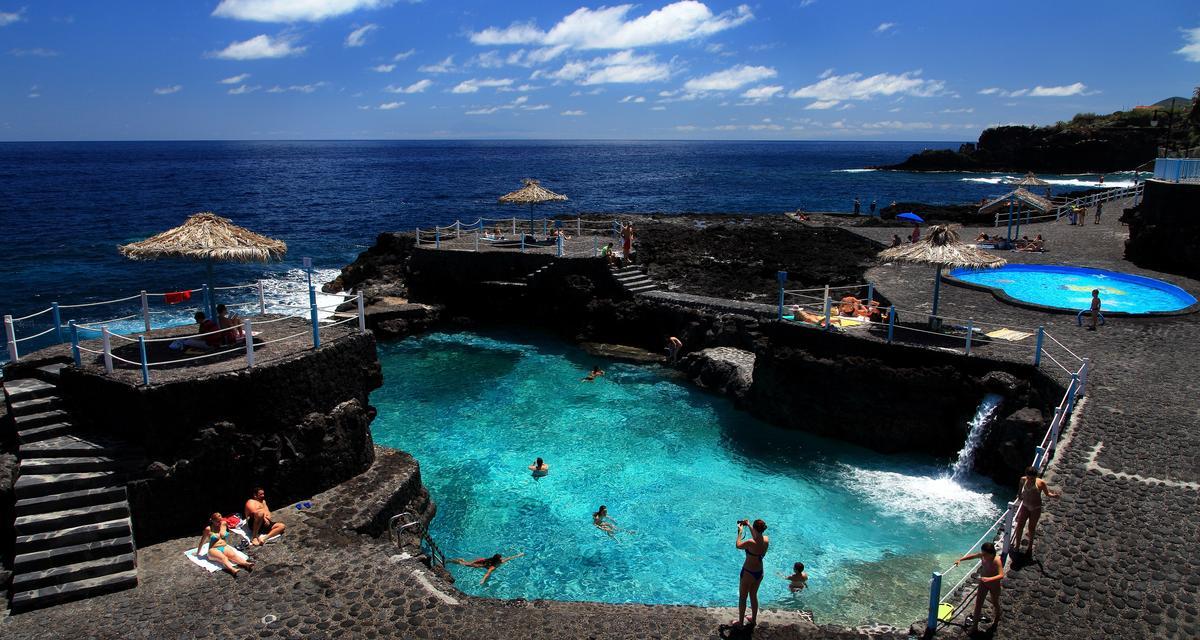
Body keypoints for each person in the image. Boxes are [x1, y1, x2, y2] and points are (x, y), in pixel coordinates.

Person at [954, 542, 1004, 633]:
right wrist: (960, 559)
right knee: (978, 605)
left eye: (985, 554)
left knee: (995, 602)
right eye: (982, 553)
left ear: (991, 553)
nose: (983, 555)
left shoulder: (997, 560)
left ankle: (997, 617)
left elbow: (1001, 575)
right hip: (983, 583)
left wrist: (989, 579)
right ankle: (975, 626)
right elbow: (972, 556)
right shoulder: (983, 555)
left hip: (994, 585)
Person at [1012, 466, 1060, 556]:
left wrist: (1054, 496)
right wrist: (1019, 496)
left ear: (1036, 476)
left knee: (1031, 528)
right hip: (1025, 506)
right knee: (1019, 526)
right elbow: (1019, 490)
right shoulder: (1023, 480)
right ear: (1026, 476)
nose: (1030, 480)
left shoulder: (1041, 483)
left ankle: (1030, 547)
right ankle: (1017, 545)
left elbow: (1047, 493)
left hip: (1035, 508)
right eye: (1028, 477)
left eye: (1032, 478)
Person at [734, 518, 769, 628]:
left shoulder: (750, 543)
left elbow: (738, 545)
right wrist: (748, 525)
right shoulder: (766, 540)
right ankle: (753, 620)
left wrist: (740, 532)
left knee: (743, 598)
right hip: (759, 572)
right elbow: (757, 537)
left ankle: (740, 623)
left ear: (755, 529)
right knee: (753, 595)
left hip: (748, 572)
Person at [196, 512, 254, 577]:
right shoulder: (208, 529)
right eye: (217, 521)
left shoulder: (224, 524)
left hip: (224, 546)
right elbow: (202, 541)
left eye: (220, 520)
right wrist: (198, 553)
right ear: (212, 521)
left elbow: (228, 530)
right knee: (223, 558)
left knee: (234, 556)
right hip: (213, 549)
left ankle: (246, 564)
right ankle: (232, 570)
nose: (219, 522)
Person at [448, 552, 524, 585]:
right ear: (498, 560)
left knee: (466, 562)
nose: (502, 559)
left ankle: (455, 560)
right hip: (480, 565)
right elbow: (488, 573)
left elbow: (510, 558)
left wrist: (519, 555)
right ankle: (454, 561)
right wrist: (483, 580)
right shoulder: (494, 566)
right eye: (501, 558)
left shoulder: (492, 559)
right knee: (464, 564)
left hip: (482, 560)